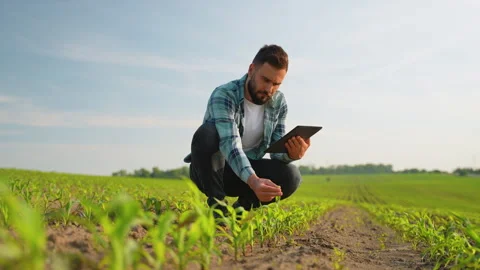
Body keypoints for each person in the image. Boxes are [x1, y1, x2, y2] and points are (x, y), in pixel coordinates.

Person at [183, 44, 311, 216]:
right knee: (207, 133)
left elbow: (275, 150)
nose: (269, 89)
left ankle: (240, 210)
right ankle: (218, 209)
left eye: (276, 84)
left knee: (291, 176)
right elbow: (230, 144)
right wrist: (254, 181)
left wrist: (292, 154)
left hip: (248, 171)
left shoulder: (279, 103)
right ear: (251, 70)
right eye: (265, 80)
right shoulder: (225, 94)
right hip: (216, 171)